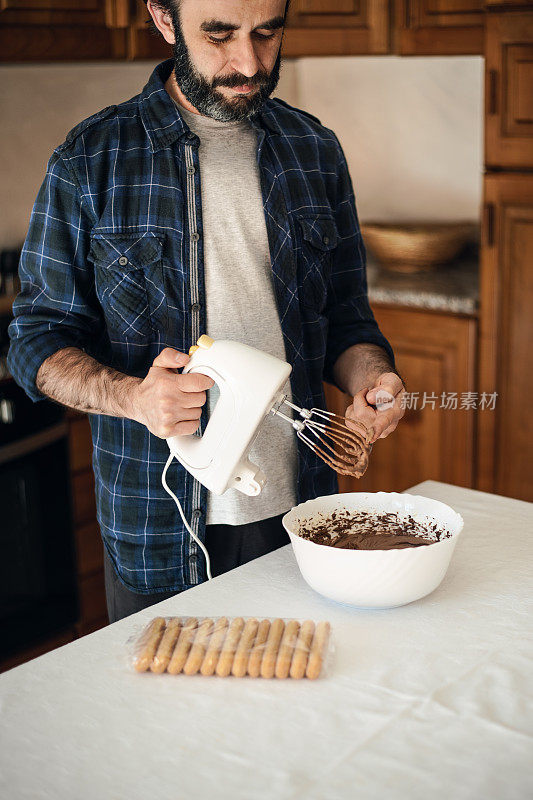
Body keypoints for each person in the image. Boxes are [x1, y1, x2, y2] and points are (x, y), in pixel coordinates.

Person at [8, 0, 406, 623]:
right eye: (219, 35)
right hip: (159, 526)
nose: (248, 61)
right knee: (169, 716)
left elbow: (347, 320)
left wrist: (371, 379)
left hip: (299, 514)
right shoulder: (93, 159)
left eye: (267, 33)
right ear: (165, 21)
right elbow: (35, 341)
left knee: (298, 700)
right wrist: (134, 397)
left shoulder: (314, 150)